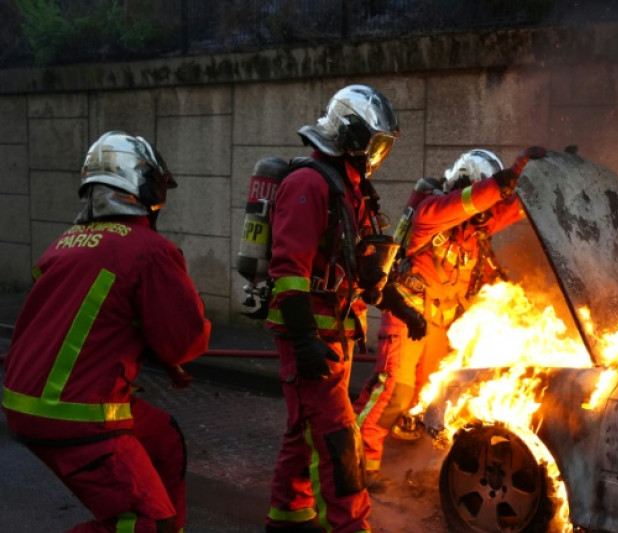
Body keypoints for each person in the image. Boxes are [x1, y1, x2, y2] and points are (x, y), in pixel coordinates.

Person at [1, 131, 212, 533]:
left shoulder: (64, 244)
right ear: (142, 187)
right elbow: (183, 342)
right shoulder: (149, 250)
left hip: (30, 402)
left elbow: (95, 323)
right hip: (78, 413)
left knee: (164, 440)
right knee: (145, 522)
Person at [353, 146, 546, 491]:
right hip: (407, 315)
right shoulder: (432, 212)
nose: (486, 213)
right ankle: (356, 463)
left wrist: (541, 178)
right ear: (464, 186)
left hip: (439, 323)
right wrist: (504, 179)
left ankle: (401, 439)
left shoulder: (474, 228)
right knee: (395, 389)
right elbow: (469, 203)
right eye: (480, 198)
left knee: (432, 392)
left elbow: (510, 208)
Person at [264, 84, 402, 533]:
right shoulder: (309, 183)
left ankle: (288, 517)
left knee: (303, 434)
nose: (378, 154)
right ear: (350, 134)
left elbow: (361, 265)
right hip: (313, 338)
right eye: (375, 142)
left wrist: (403, 306)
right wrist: (304, 340)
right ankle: (349, 526)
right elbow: (288, 270)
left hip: (333, 336)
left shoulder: (349, 187)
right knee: (340, 441)